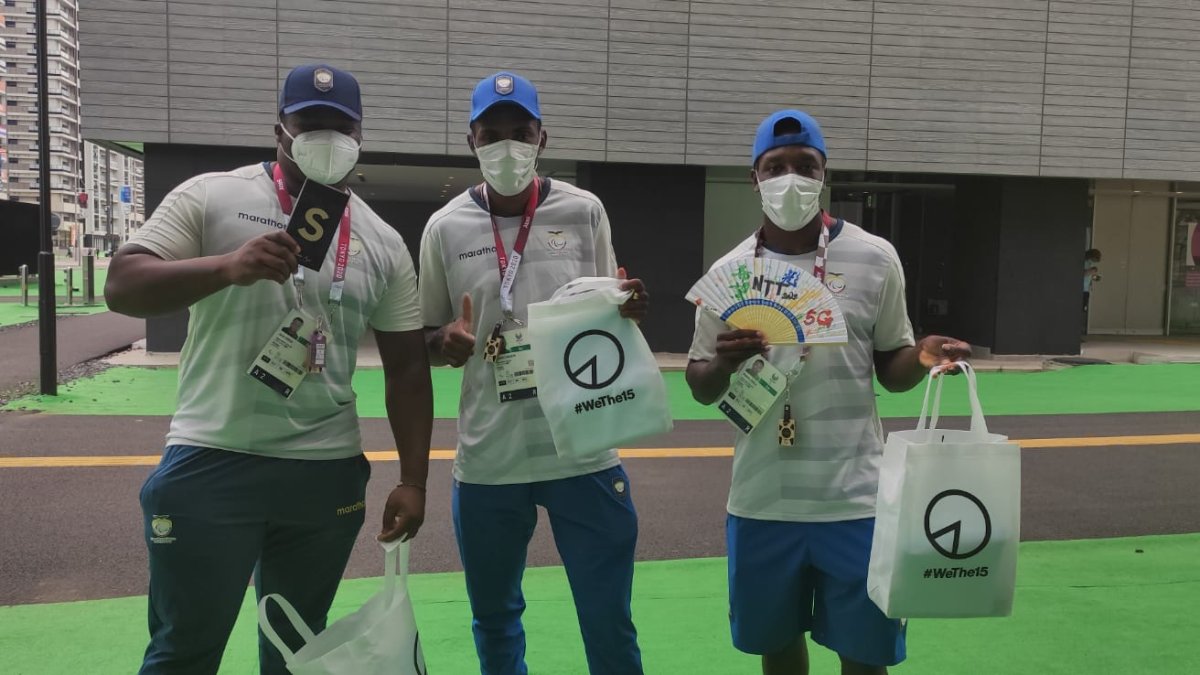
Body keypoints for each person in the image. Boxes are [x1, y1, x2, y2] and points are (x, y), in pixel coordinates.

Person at [105, 64, 434, 675]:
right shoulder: (213, 195)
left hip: (325, 473)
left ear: (360, 135)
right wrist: (227, 267)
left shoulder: (383, 239)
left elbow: (408, 366)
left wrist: (413, 479)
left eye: (342, 126)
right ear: (280, 128)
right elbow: (123, 285)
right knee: (183, 651)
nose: (327, 137)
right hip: (213, 457)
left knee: (296, 654)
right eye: (311, 122)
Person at [685, 110, 972, 675]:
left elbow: (891, 366)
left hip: (856, 501)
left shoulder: (874, 257)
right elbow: (699, 384)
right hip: (763, 498)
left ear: (824, 174)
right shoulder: (731, 272)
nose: (790, 178)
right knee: (778, 649)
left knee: (864, 655)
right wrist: (723, 361)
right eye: (775, 167)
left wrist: (921, 355)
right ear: (754, 178)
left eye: (804, 166)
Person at [418, 71, 649, 675]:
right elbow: (423, 333)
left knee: (608, 617)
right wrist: (443, 340)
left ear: (542, 136)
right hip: (491, 456)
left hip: (583, 449)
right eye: (491, 134)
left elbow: (606, 305)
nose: (507, 147)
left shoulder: (583, 210)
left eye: (520, 132)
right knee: (495, 619)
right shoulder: (445, 227)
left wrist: (626, 308)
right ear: (471, 140)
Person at [1083, 248, 1102, 318]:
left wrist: (1094, 277)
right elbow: (1084, 273)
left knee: (1084, 309)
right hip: (1082, 289)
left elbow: (1089, 276)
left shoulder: (1090, 263)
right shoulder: (1084, 261)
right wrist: (1091, 270)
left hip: (1086, 289)